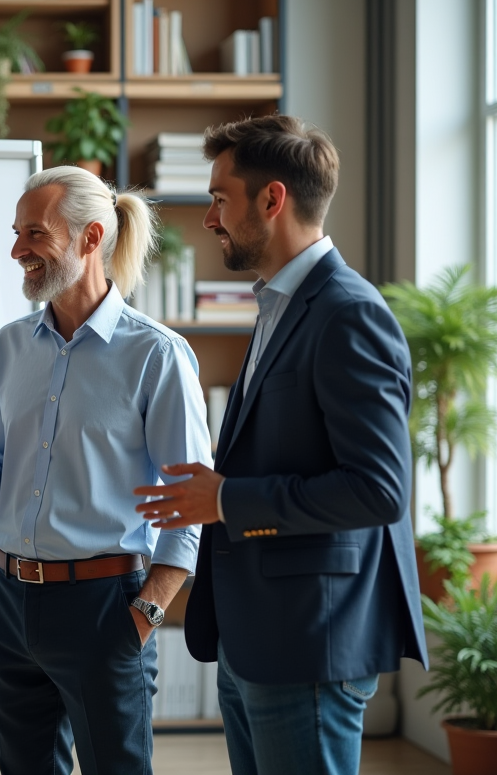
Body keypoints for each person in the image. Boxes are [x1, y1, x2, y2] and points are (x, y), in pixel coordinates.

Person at [0, 166, 211, 775]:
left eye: (35, 233)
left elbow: (192, 506)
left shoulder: (155, 354)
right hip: (8, 602)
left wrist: (147, 614)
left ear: (89, 238)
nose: (17, 250)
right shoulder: (10, 347)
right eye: (16, 233)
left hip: (106, 607)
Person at [133, 115, 427, 775]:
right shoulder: (279, 304)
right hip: (258, 635)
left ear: (273, 200)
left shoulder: (350, 312)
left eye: (218, 198)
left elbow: (379, 490)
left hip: (308, 643)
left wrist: (227, 499)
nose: (209, 218)